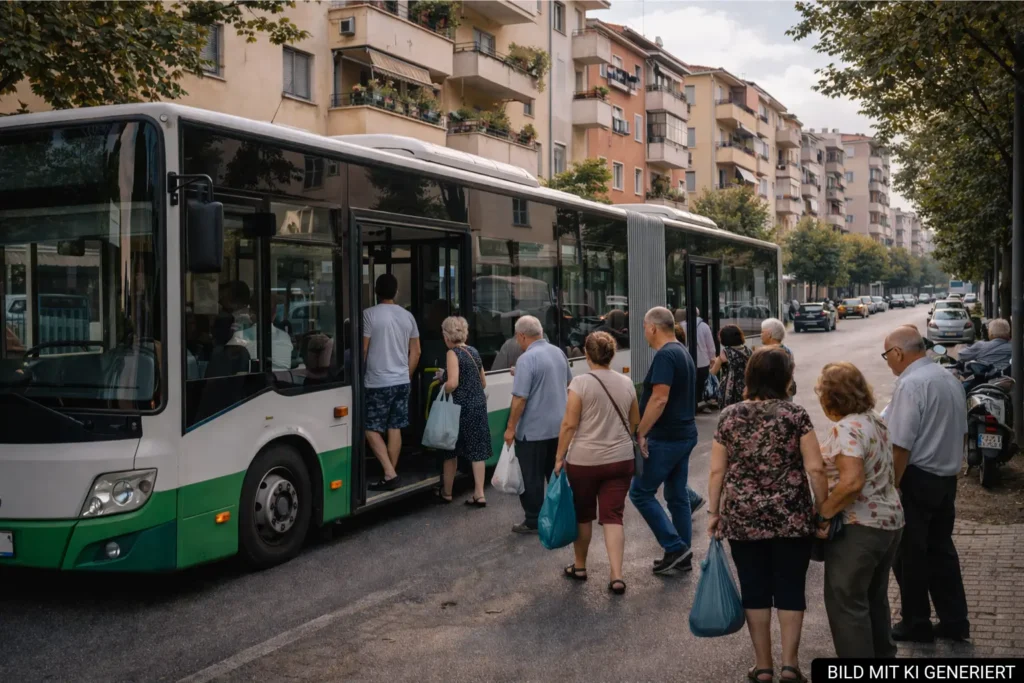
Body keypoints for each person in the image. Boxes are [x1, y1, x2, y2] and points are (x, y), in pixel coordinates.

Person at [707, 346, 828, 683]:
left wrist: (714, 513)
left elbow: (717, 472)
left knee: (754, 588)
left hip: (743, 519)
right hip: (792, 518)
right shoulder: (796, 415)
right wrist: (822, 511)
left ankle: (763, 667)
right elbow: (815, 468)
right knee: (791, 588)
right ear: (785, 379)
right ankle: (790, 665)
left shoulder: (729, 416)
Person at [882, 326, 970, 643]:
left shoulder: (910, 384)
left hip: (918, 480)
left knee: (909, 556)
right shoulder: (948, 378)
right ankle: (955, 621)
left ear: (898, 353)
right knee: (941, 552)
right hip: (946, 479)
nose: (888, 362)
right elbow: (961, 433)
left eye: (887, 355)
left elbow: (900, 446)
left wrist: (890, 488)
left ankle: (916, 623)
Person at [815, 362, 905, 658]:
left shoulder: (846, 428)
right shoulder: (873, 419)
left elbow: (852, 481)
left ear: (832, 396)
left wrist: (824, 512)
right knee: (874, 599)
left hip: (860, 526)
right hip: (890, 521)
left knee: (848, 605)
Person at [553, 331, 638, 594]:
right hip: (621, 459)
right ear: (612, 355)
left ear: (587, 355)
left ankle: (580, 566)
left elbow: (569, 424)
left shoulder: (580, 383)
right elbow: (634, 422)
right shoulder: (627, 382)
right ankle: (616, 575)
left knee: (584, 514)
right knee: (613, 516)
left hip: (584, 461)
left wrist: (559, 458)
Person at [629, 306, 700, 574]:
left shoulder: (665, 356)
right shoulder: (682, 351)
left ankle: (675, 548)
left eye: (644, 328)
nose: (644, 333)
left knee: (640, 492)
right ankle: (682, 556)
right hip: (684, 433)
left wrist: (642, 432)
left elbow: (659, 398)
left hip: (666, 436)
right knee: (677, 495)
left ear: (653, 328)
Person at [503, 315, 573, 534]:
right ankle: (557, 514)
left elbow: (520, 399)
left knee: (531, 477)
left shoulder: (526, 359)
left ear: (522, 336)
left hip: (533, 432)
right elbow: (568, 383)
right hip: (558, 427)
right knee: (553, 473)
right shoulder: (558, 352)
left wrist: (511, 428)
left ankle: (533, 520)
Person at [363, 273, 421, 492]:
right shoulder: (408, 317)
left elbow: (364, 349)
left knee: (370, 428)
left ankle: (389, 473)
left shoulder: (369, 315)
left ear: (376, 292)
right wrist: (406, 375)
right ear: (396, 292)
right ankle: (391, 475)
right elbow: (416, 352)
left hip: (377, 382)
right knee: (394, 426)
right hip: (401, 381)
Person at [434, 316, 491, 507]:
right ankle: (480, 493)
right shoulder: (473, 351)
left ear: (447, 336)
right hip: (477, 405)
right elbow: (483, 382)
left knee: (450, 450)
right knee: (477, 451)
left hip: (458, 409)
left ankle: (447, 492)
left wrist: (443, 383)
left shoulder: (453, 353)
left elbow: (453, 383)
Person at [710, 324, 751, 408]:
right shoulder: (748, 350)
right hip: (746, 387)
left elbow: (713, 372)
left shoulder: (726, 352)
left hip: (729, 390)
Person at [761, 317, 795, 398]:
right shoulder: (787, 350)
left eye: (762, 332)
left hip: (773, 398)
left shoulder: (769, 353)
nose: (760, 335)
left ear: (769, 334)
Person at [694, 307, 716, 408]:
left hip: (687, 361)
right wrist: (712, 358)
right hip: (703, 361)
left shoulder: (681, 325)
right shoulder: (704, 326)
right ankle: (699, 403)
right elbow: (710, 345)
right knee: (701, 384)